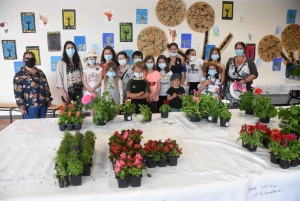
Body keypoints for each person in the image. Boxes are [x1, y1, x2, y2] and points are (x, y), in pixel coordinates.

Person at [13, 51, 53, 119]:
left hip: (43, 104)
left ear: (34, 59)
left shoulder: (40, 73)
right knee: (31, 127)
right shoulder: (19, 75)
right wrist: (21, 106)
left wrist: (48, 100)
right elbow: (18, 93)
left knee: (42, 125)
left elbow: (46, 87)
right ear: (23, 61)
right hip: (30, 106)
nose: (30, 60)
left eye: (31, 58)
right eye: (27, 58)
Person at [224, 42, 258, 109]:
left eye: (241, 48)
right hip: (230, 90)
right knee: (230, 109)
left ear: (244, 49)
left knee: (243, 109)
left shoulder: (249, 61)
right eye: (237, 48)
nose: (239, 50)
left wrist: (244, 80)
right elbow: (226, 76)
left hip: (244, 89)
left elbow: (254, 74)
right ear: (235, 49)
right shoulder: (230, 61)